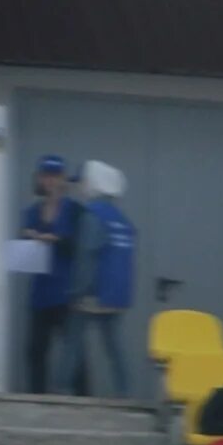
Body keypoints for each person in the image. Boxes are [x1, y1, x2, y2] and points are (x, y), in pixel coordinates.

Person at [62, 161, 136, 398]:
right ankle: (125, 394)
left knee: (72, 344)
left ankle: (58, 394)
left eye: (82, 182)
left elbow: (86, 256)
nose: (79, 187)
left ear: (93, 184)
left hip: (91, 292)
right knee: (114, 348)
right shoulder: (122, 220)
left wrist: (75, 291)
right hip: (116, 294)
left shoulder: (92, 216)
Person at [19, 154, 81, 393]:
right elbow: (22, 253)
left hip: (66, 292)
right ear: (40, 179)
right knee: (35, 350)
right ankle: (36, 397)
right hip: (40, 292)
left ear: (63, 180)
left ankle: (84, 400)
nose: (50, 181)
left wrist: (54, 239)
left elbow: (79, 247)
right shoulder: (32, 211)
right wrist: (29, 238)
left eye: (55, 176)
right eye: (46, 176)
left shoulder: (74, 210)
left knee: (74, 352)